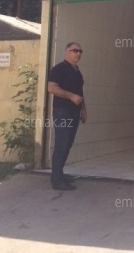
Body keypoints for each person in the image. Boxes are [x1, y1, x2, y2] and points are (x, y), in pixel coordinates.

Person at [47, 42, 87, 190]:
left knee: (67, 144)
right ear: (67, 52)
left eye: (80, 51)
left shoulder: (77, 72)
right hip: (62, 112)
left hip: (74, 112)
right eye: (75, 50)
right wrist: (71, 96)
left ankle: (59, 174)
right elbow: (52, 88)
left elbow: (80, 93)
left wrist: (83, 110)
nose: (78, 53)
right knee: (62, 144)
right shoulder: (59, 69)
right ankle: (56, 180)